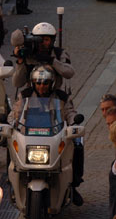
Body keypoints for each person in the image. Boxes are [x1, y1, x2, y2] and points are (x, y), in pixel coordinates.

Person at [8, 65, 84, 206]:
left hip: (54, 136)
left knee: (77, 144)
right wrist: (10, 123)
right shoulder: (25, 95)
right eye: (38, 83)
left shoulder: (61, 97)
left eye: (45, 83)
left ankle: (73, 184)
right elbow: (15, 113)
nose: (41, 86)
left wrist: (74, 123)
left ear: (51, 83)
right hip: (29, 135)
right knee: (10, 141)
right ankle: (11, 180)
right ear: (33, 83)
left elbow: (70, 112)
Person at [12, 22, 74, 90]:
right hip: (32, 96)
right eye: (39, 40)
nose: (42, 43)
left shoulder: (58, 53)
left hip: (54, 95)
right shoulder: (29, 56)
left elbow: (69, 73)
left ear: (52, 41)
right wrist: (20, 61)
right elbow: (17, 83)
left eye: (46, 40)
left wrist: (51, 60)